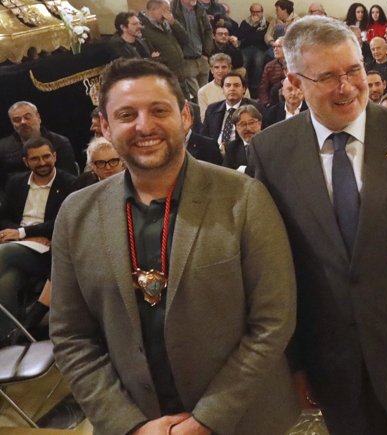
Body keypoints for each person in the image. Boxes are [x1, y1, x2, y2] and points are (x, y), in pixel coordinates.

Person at [247, 16, 387, 433]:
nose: (348, 87)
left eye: (354, 70)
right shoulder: (271, 152)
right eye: (329, 76)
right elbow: (275, 273)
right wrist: (295, 365)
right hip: (334, 370)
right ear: (296, 83)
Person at [51, 58, 298, 435]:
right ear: (104, 126)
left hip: (242, 419)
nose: (144, 126)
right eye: (126, 114)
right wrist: (127, 425)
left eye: (159, 110)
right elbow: (72, 336)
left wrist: (207, 419)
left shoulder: (243, 198)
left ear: (185, 117)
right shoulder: (76, 214)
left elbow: (273, 321)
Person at [0, 138, 75, 334]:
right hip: (20, 245)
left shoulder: (69, 184)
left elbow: (61, 222)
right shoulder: (16, 182)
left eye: (46, 157)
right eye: (35, 159)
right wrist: (22, 236)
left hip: (49, 250)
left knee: (4, 253)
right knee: (8, 278)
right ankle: (10, 336)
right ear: (26, 161)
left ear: (55, 156)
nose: (42, 163)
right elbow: (4, 218)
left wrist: (23, 233)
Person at [1, 102, 78, 180]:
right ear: (12, 123)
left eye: (27, 117)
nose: (23, 122)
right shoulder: (3, 147)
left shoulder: (60, 142)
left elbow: (69, 176)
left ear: (38, 117)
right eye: (17, 120)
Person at [140, 0, 193, 97]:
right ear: (153, 10)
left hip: (180, 73)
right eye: (165, 10)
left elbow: (185, 39)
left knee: (187, 106)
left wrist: (174, 23)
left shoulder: (167, 23)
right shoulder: (143, 27)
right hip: (165, 76)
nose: (168, 14)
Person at [171, 0, 215, 99]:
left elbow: (208, 31)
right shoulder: (172, 11)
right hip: (186, 60)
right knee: (198, 96)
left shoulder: (199, 9)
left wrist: (206, 53)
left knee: (206, 93)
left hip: (201, 57)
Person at [238, 2, 270, 90]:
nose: (255, 14)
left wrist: (251, 34)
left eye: (258, 11)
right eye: (253, 12)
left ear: (262, 12)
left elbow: (259, 38)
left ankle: (255, 89)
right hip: (246, 48)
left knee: (258, 63)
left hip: (260, 48)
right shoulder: (245, 23)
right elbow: (241, 36)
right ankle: (244, 87)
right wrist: (252, 26)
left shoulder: (266, 24)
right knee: (243, 64)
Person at [221, 104, 262, 172]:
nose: (248, 128)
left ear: (260, 123)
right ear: (236, 128)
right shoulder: (231, 148)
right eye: (242, 124)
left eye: (251, 123)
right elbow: (226, 175)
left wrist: (245, 170)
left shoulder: (271, 143)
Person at [196, 53, 233, 120]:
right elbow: (204, 118)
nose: (220, 71)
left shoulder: (241, 88)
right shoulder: (203, 92)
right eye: (216, 67)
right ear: (212, 70)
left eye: (224, 67)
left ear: (229, 68)